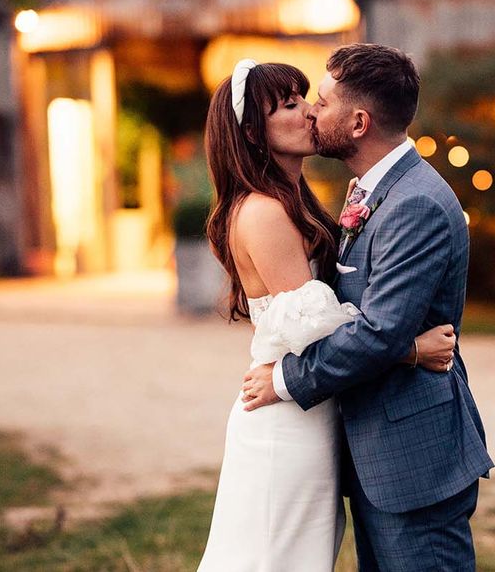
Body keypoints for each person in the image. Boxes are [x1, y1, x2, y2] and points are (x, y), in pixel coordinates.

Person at [196, 58, 459, 571]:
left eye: (310, 99)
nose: (310, 113)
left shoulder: (296, 200)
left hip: (312, 410)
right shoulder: (265, 211)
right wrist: (408, 347)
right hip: (285, 419)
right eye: (291, 105)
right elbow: (319, 326)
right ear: (253, 134)